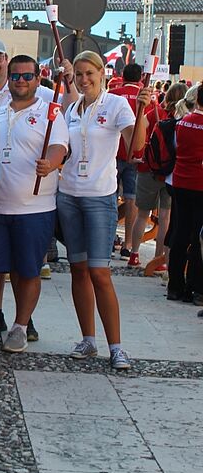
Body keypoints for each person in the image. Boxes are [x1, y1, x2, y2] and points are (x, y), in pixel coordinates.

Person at [57, 50, 151, 370]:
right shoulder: (72, 108)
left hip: (100, 197)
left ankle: (117, 347)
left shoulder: (116, 104)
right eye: (79, 74)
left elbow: (135, 145)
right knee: (78, 269)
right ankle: (88, 339)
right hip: (69, 195)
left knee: (100, 272)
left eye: (89, 73)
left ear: (102, 74)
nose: (84, 79)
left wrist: (143, 113)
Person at [0, 56, 68, 353]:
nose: (21, 81)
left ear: (37, 79)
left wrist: (51, 163)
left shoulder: (50, 112)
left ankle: (20, 326)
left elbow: (59, 146)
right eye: (16, 76)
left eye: (27, 76)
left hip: (34, 208)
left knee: (27, 271)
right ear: (8, 79)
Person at [131, 83, 187, 271]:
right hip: (171, 173)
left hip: (148, 168)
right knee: (165, 217)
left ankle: (134, 253)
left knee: (142, 214)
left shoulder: (155, 113)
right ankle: (159, 257)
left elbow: (140, 128)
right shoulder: (184, 119)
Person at [165, 84, 203, 303]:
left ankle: (175, 286)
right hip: (199, 184)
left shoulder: (183, 122)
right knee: (198, 238)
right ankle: (196, 288)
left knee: (180, 233)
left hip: (180, 181)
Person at [109, 63, 144, 262]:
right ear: (140, 77)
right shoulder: (145, 96)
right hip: (135, 154)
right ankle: (128, 245)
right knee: (131, 199)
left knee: (111, 198)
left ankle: (110, 240)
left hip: (114, 152)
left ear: (123, 76)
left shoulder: (113, 95)